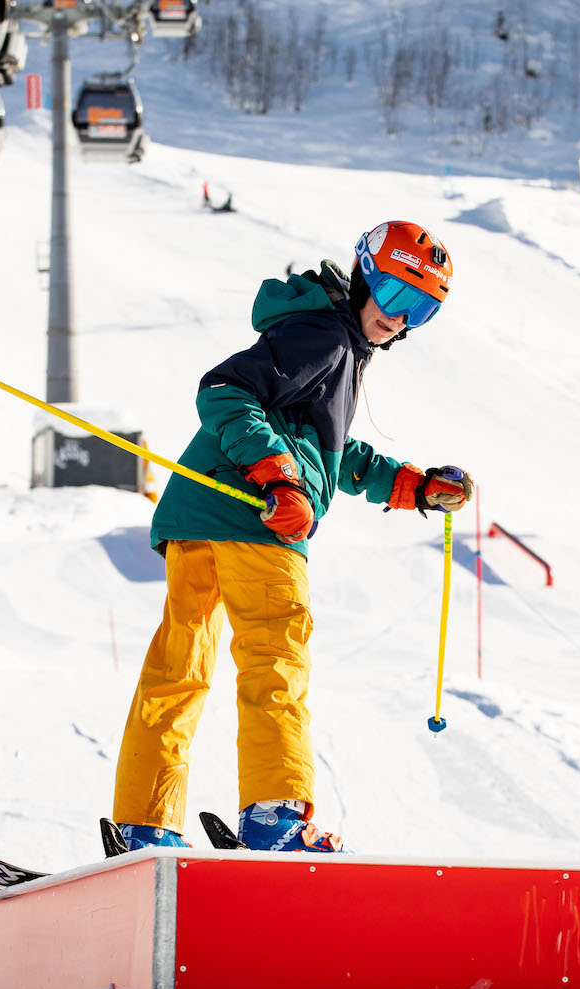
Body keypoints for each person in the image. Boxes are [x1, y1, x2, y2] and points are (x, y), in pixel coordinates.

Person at [112, 221, 474, 854]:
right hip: (255, 516)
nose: (400, 318)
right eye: (393, 295)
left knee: (179, 668)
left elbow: (331, 455)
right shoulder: (327, 338)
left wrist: (412, 486)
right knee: (275, 658)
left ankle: (145, 822)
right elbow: (227, 392)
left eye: (421, 309)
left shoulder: (327, 338)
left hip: (198, 513)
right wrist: (278, 480)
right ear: (364, 274)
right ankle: (276, 818)